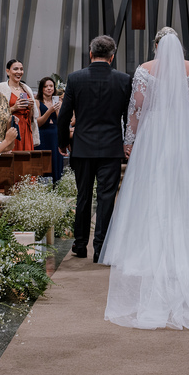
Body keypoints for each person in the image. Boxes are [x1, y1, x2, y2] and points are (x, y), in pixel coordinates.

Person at [99, 28, 189, 331]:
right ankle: (186, 245)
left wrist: (130, 139)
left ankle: (153, 245)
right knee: (184, 188)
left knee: (154, 185)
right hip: (183, 130)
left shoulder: (145, 70)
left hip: (155, 130)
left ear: (156, 47)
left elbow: (136, 106)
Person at [56, 35, 132, 261]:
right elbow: (129, 117)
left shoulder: (76, 78)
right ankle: (101, 247)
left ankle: (80, 245)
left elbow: (64, 116)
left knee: (83, 196)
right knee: (107, 197)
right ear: (112, 56)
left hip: (82, 147)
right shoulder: (123, 79)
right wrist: (128, 143)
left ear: (91, 53)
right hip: (111, 147)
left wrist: (63, 142)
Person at [0, 58, 39, 152]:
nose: (19, 72)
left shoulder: (27, 89)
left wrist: (31, 107)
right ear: (8, 71)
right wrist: (14, 108)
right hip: (11, 127)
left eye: (21, 69)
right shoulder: (0, 88)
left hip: (26, 129)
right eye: (15, 69)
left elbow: (32, 118)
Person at [35, 76, 63, 180]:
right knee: (44, 162)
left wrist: (57, 110)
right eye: (46, 86)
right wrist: (49, 111)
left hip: (55, 134)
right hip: (43, 135)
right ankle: (43, 186)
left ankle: (57, 185)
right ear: (41, 88)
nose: (49, 88)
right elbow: (38, 122)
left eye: (51, 86)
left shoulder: (58, 101)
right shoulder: (37, 102)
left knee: (56, 160)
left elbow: (61, 122)